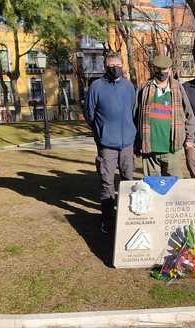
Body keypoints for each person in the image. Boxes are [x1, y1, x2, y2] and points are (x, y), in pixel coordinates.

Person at [85, 52, 136, 234]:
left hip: (127, 143)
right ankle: (107, 220)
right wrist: (101, 131)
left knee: (128, 181)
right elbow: (89, 114)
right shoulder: (96, 87)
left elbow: (133, 110)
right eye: (111, 65)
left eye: (118, 65)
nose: (115, 68)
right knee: (107, 183)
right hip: (107, 144)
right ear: (105, 67)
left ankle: (129, 217)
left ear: (122, 66)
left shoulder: (129, 86)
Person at [135, 55, 195, 177]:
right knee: (153, 187)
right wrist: (136, 143)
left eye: (165, 69)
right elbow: (135, 116)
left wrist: (189, 139)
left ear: (169, 69)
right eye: (159, 69)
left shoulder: (178, 88)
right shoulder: (144, 88)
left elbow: (189, 115)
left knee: (174, 187)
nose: (162, 72)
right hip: (150, 149)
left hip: (173, 149)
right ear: (154, 69)